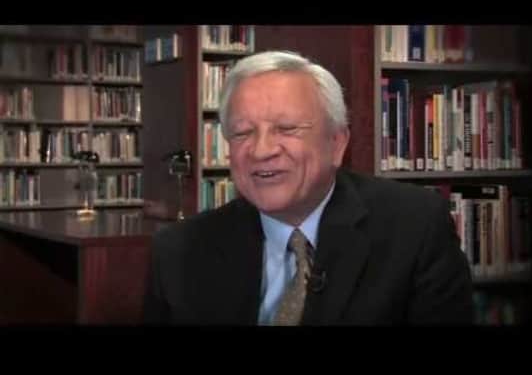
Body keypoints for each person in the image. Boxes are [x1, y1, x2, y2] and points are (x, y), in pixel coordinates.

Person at [143, 50, 473, 325]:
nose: (261, 150)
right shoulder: (178, 252)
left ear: (336, 143)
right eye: (242, 133)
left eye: (286, 128)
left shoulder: (416, 227)